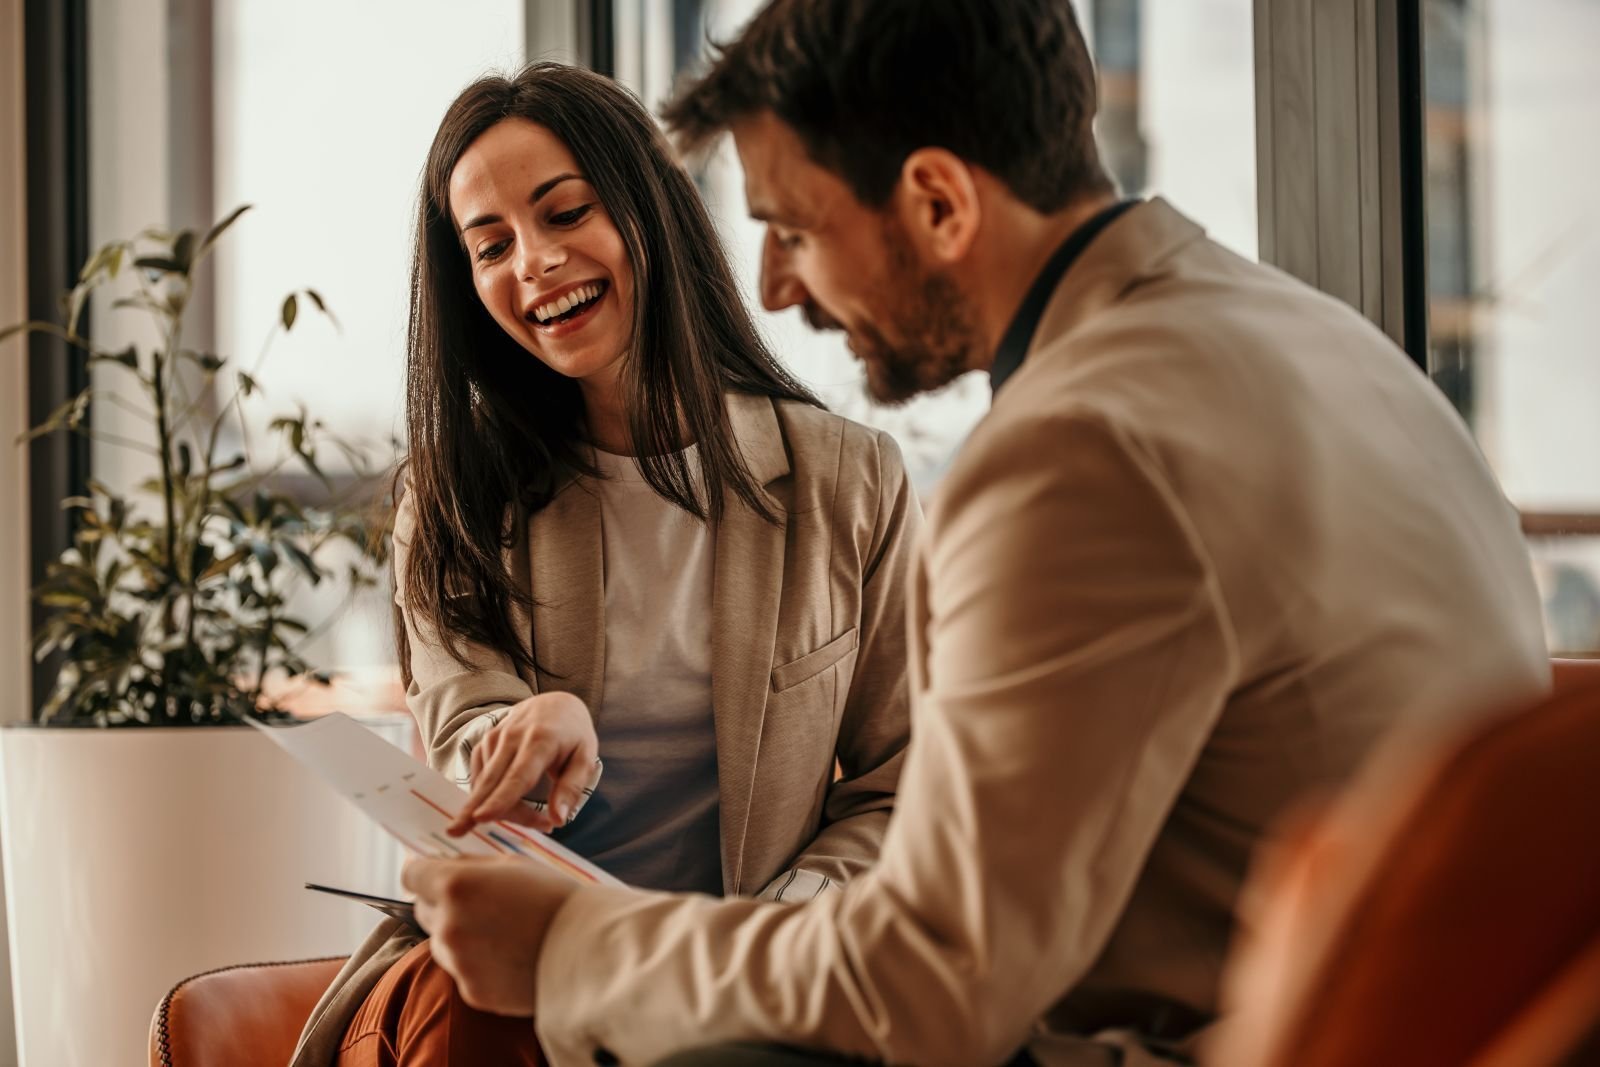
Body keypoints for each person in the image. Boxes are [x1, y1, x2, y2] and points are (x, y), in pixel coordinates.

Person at [403, 3, 1550, 1065]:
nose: (775, 287)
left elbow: (931, 981)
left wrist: (571, 948)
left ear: (939, 203)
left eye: (795, 228)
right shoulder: (1331, 343)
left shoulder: (1077, 447)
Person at [289, 62, 920, 1067]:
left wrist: (773, 932)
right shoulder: (453, 493)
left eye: (564, 213)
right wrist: (530, 734)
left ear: (647, 212)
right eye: (489, 245)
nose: (532, 264)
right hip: (515, 982)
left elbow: (900, 785)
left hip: (750, 980)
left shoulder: (847, 480)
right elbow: (460, 733)